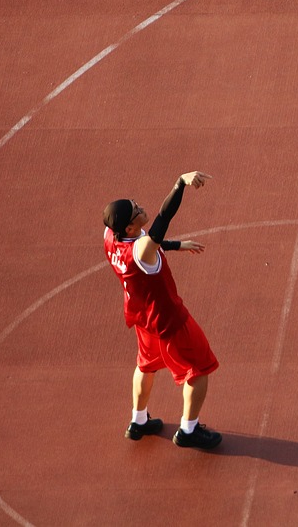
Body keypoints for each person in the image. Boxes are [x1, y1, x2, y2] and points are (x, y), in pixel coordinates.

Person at [103, 171, 222, 450]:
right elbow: (161, 223)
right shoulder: (142, 250)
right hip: (168, 320)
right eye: (136, 212)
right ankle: (189, 430)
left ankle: (138, 420)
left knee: (145, 365)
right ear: (130, 229)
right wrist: (180, 183)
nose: (141, 208)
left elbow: (150, 245)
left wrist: (177, 246)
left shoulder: (110, 237)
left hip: (142, 318)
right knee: (199, 369)